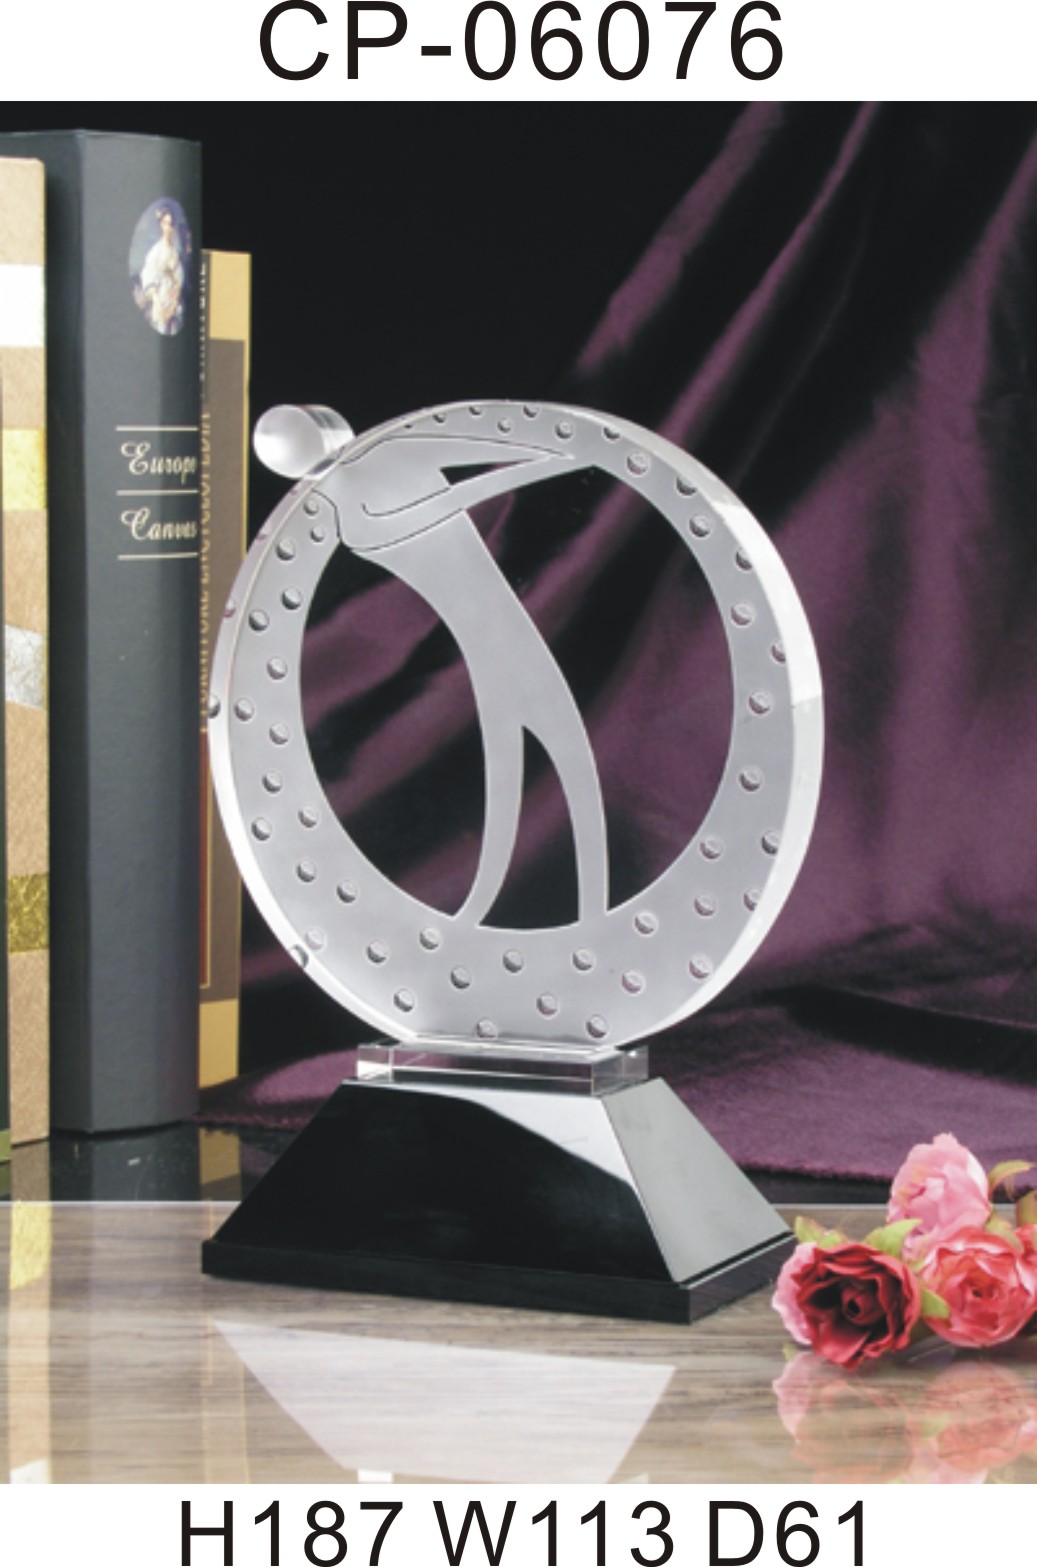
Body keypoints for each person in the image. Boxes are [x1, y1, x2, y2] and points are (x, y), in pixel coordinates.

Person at [134, 207, 185, 335]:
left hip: (173, 301)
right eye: (166, 223)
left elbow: (179, 276)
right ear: (161, 225)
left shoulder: (174, 251)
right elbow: (149, 276)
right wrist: (158, 303)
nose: (169, 227)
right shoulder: (155, 251)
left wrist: (175, 297)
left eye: (171, 224)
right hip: (160, 301)